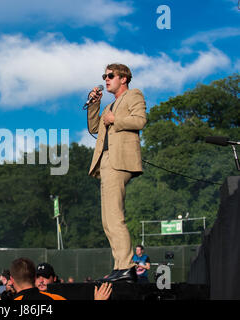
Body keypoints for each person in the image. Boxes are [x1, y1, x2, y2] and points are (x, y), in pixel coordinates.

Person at [87, 63, 147, 283]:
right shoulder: (109, 106)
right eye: (104, 76)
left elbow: (140, 120)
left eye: (111, 75)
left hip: (119, 160)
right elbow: (95, 128)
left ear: (124, 78)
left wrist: (116, 121)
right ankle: (120, 265)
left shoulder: (134, 95)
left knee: (114, 216)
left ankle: (127, 266)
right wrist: (95, 104)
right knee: (107, 220)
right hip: (105, 162)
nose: (106, 79)